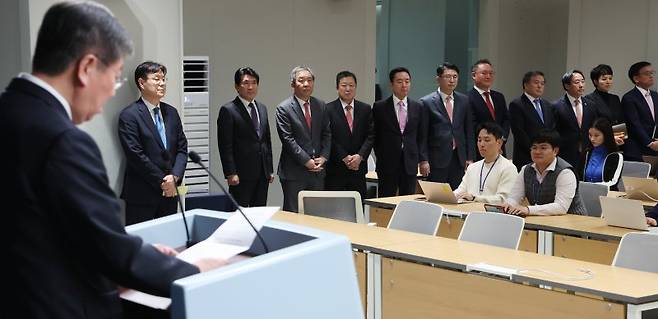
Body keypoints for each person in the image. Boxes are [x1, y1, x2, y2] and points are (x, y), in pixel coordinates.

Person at [1, 2, 223, 318]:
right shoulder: (63, 141)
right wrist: (194, 271)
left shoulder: (10, 111)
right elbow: (112, 253)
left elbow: (43, 232)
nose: (110, 93)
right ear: (87, 67)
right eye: (116, 77)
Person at [118, 61, 188, 225]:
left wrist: (175, 177)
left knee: (169, 243)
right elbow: (135, 155)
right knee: (143, 245)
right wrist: (163, 181)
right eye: (157, 79)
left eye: (164, 79)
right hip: (142, 194)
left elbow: (182, 149)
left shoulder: (171, 112)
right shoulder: (130, 115)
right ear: (141, 83)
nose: (162, 83)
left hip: (170, 194)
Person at [276, 66, 331, 212]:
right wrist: (307, 161)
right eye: (301, 80)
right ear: (293, 84)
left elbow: (327, 134)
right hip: (294, 172)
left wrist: (324, 157)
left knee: (316, 214)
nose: (306, 84)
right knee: (293, 216)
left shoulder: (321, 105)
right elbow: (287, 140)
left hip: (318, 171)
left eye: (309, 80)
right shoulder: (284, 108)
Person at [217, 67, 273, 207]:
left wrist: (269, 169)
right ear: (237, 86)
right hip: (241, 174)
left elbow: (266, 141)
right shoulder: (228, 110)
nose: (250, 87)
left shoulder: (262, 108)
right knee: (239, 215)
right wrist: (230, 173)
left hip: (262, 173)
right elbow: (225, 145)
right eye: (246, 83)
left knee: (259, 213)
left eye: (254, 83)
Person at [372, 67, 428, 197]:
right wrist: (381, 154)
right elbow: (375, 136)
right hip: (387, 162)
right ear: (391, 84)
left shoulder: (418, 106)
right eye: (399, 81)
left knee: (408, 199)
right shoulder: (380, 107)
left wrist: (423, 159)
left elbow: (421, 136)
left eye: (407, 81)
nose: (404, 85)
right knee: (386, 199)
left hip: (410, 162)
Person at [504, 129, 586, 216]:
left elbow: (561, 207)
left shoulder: (565, 172)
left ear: (555, 151)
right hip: (543, 221)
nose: (537, 152)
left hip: (573, 222)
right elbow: (514, 197)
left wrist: (528, 209)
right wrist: (508, 204)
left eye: (543, 148)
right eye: (534, 148)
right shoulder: (525, 170)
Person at [420, 62, 474, 189]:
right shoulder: (426, 102)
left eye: (455, 77)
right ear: (438, 79)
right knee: (437, 196)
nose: (452, 80)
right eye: (448, 77)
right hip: (437, 159)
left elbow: (469, 132)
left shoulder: (464, 100)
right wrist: (423, 159)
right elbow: (422, 134)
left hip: (459, 158)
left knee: (457, 195)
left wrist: (470, 157)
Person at [325, 71, 374, 200]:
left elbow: (370, 136)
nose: (348, 89)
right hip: (336, 168)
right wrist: (344, 157)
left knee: (358, 208)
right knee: (335, 210)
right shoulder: (327, 109)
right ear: (337, 88)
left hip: (358, 169)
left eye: (351, 85)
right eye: (344, 85)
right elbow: (328, 137)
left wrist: (360, 156)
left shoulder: (365, 109)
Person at [454, 122, 518, 203]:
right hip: (469, 212)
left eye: (487, 140)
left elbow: (503, 199)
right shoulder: (472, 167)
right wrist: (448, 196)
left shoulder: (508, 168)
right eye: (479, 140)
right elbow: (459, 191)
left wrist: (474, 198)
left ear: (499, 143)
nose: (482, 144)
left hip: (493, 214)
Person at [509, 71, 556, 170]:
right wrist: (536, 150)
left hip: (547, 158)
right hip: (526, 156)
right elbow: (519, 132)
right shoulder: (517, 104)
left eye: (542, 83)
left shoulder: (547, 105)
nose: (539, 86)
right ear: (525, 85)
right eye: (536, 82)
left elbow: (551, 129)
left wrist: (547, 150)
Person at [553, 70, 596, 169]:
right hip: (565, 154)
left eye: (583, 81)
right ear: (567, 85)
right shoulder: (557, 106)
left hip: (587, 153)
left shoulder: (591, 105)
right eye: (577, 82)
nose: (581, 85)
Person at [468, 59, 510, 158]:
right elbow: (472, 125)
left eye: (491, 73)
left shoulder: (499, 96)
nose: (488, 76)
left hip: (500, 147)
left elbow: (506, 120)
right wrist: (490, 140)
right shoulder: (467, 98)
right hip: (480, 150)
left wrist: (500, 140)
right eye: (484, 73)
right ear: (474, 75)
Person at [621, 61, 658, 161]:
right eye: (647, 73)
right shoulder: (629, 98)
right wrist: (649, 143)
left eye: (652, 73)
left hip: (655, 147)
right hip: (637, 149)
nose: (651, 76)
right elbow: (634, 124)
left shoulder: (656, 96)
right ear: (636, 78)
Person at [581, 118, 623, 188]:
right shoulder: (587, 153)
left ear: (606, 135)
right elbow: (579, 178)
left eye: (596, 135)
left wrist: (591, 187)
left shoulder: (616, 156)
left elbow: (613, 182)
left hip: (606, 195)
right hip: (585, 194)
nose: (592, 139)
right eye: (590, 135)